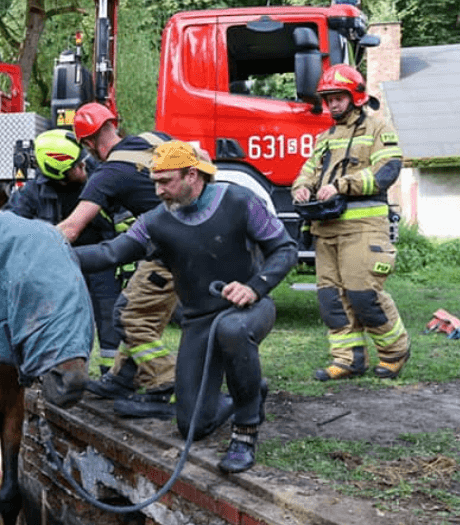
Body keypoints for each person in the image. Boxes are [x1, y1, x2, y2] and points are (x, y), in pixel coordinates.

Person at [74, 140, 297, 473]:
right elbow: (110, 253)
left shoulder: (239, 201)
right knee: (193, 422)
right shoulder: (155, 221)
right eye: (155, 183)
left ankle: (246, 431)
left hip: (249, 309)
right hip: (198, 321)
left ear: (193, 175)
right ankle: (247, 392)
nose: (159, 190)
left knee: (231, 329)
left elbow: (286, 250)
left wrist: (255, 287)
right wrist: (57, 253)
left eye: (166, 182)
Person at [290, 64, 410, 382]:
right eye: (328, 99)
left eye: (338, 97)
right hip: (326, 230)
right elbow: (308, 170)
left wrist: (343, 185)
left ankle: (395, 352)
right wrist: (301, 187)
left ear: (355, 96)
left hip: (364, 229)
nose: (332, 104)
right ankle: (347, 359)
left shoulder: (378, 128)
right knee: (331, 300)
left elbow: (387, 171)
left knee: (363, 296)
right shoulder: (325, 137)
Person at [58, 102, 177, 414]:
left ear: (88, 143)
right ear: (114, 123)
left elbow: (71, 228)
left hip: (173, 251)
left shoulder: (108, 173)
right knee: (131, 305)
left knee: (131, 316)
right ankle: (123, 378)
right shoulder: (155, 139)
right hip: (187, 237)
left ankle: (164, 383)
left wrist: (34, 242)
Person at [2, 129, 121, 372]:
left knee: (110, 316)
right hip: (60, 268)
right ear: (59, 173)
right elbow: (11, 226)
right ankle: (61, 370)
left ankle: (112, 373)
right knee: (62, 320)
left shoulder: (99, 176)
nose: (84, 166)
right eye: (77, 165)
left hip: (101, 259)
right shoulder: (33, 193)